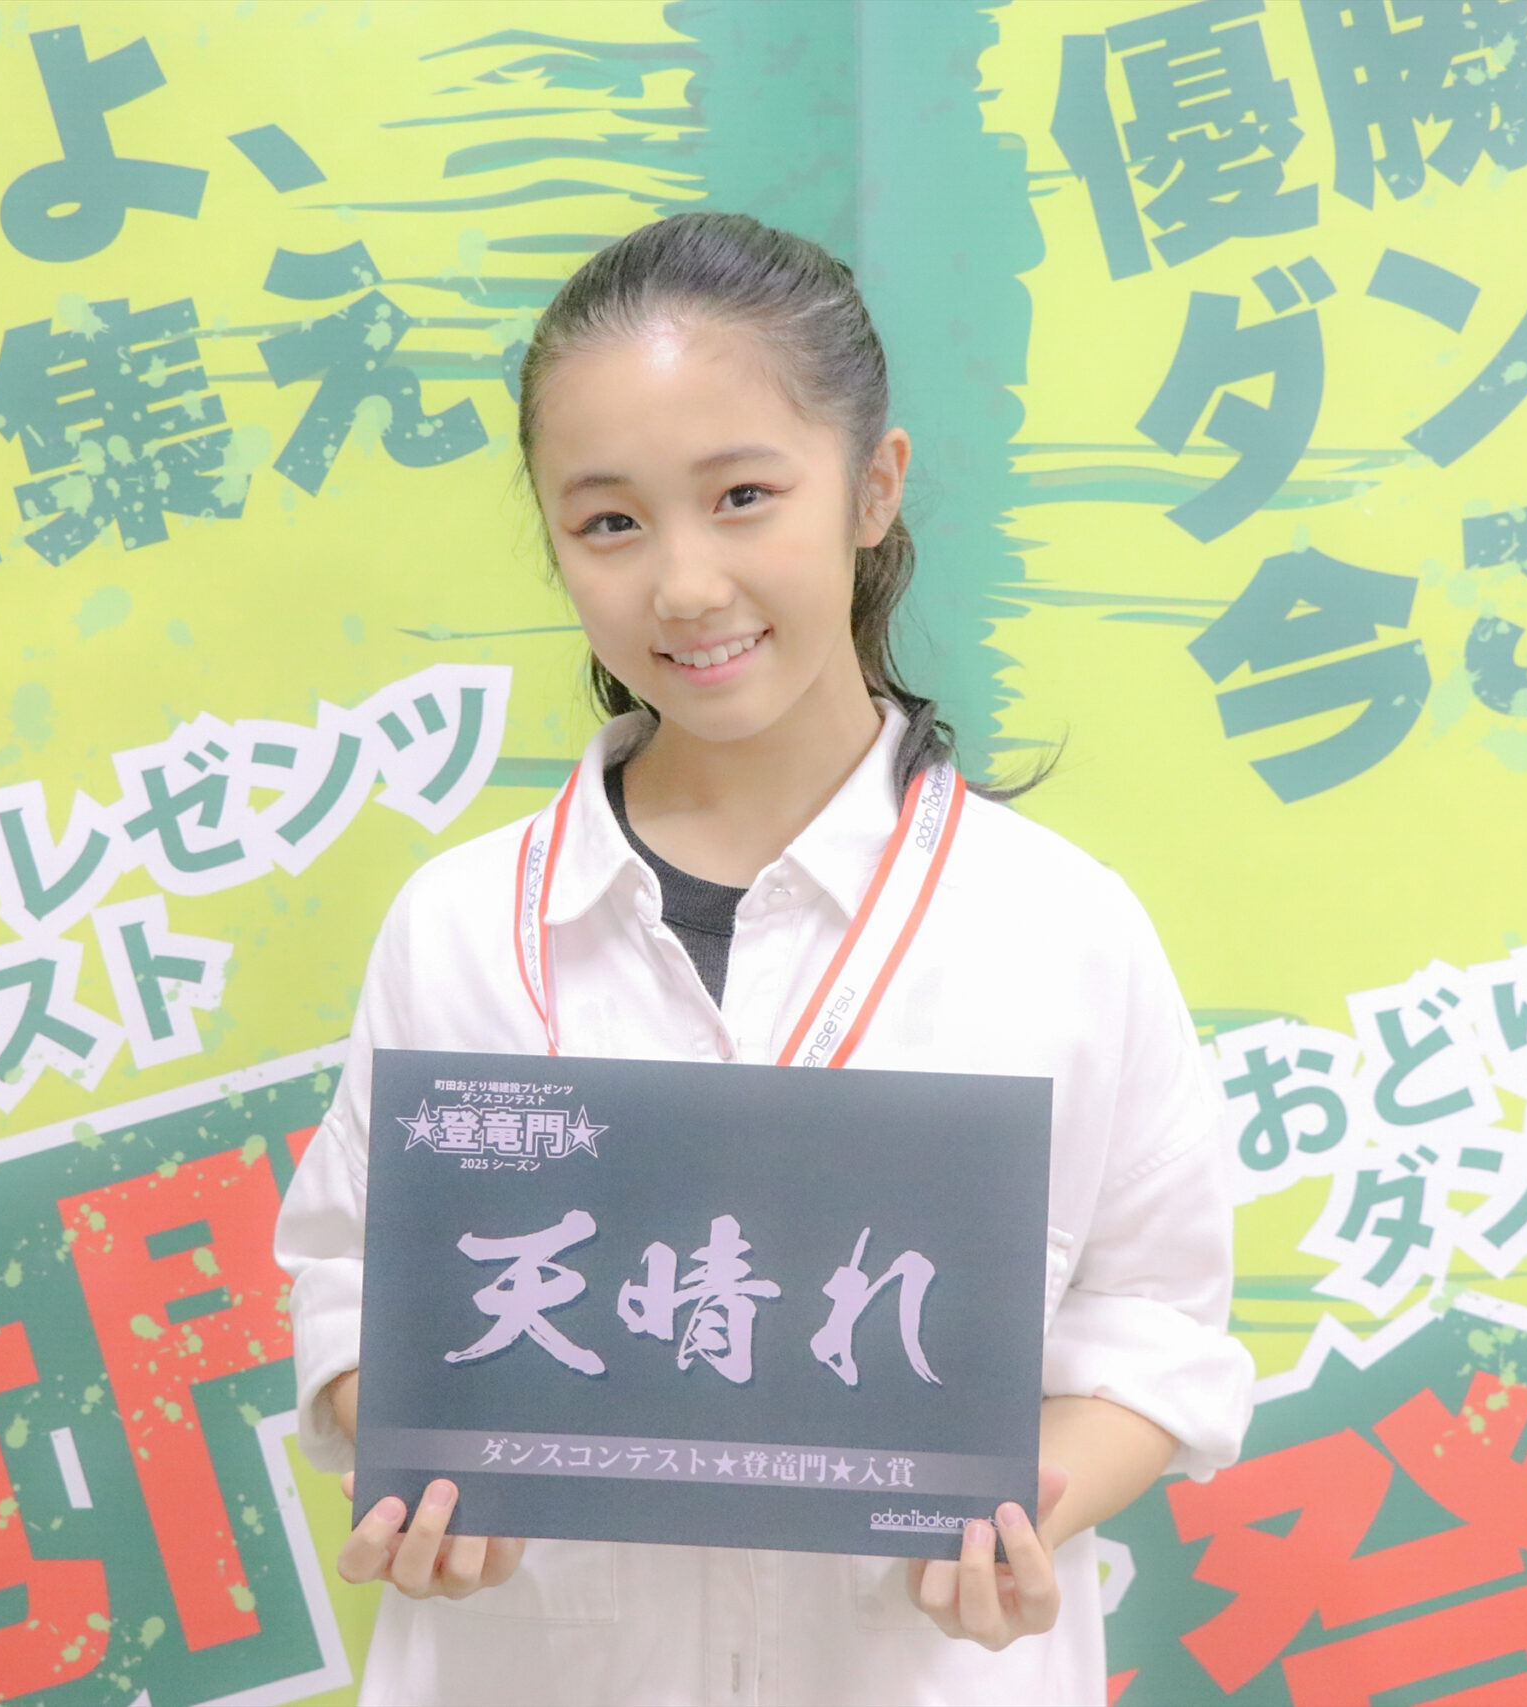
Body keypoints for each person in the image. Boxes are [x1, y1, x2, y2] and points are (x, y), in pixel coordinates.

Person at [271, 210, 1252, 1705]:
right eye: (609, 522)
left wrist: (1020, 1511)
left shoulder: (1063, 927)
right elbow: (351, 1282)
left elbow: (1157, 1325)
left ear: (875, 489)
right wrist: (423, 1463)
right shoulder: (460, 926)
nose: (683, 585)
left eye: (742, 497)